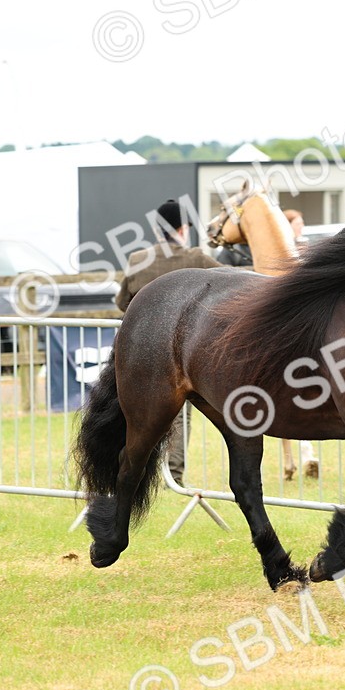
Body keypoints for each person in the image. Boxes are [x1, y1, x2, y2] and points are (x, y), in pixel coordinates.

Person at [117, 199, 223, 484]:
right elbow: (233, 287)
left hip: (141, 353)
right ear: (183, 228)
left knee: (136, 418)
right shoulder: (199, 259)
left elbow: (122, 304)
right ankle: (173, 476)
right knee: (180, 417)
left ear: (157, 228)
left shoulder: (138, 260)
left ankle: (133, 472)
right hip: (185, 355)